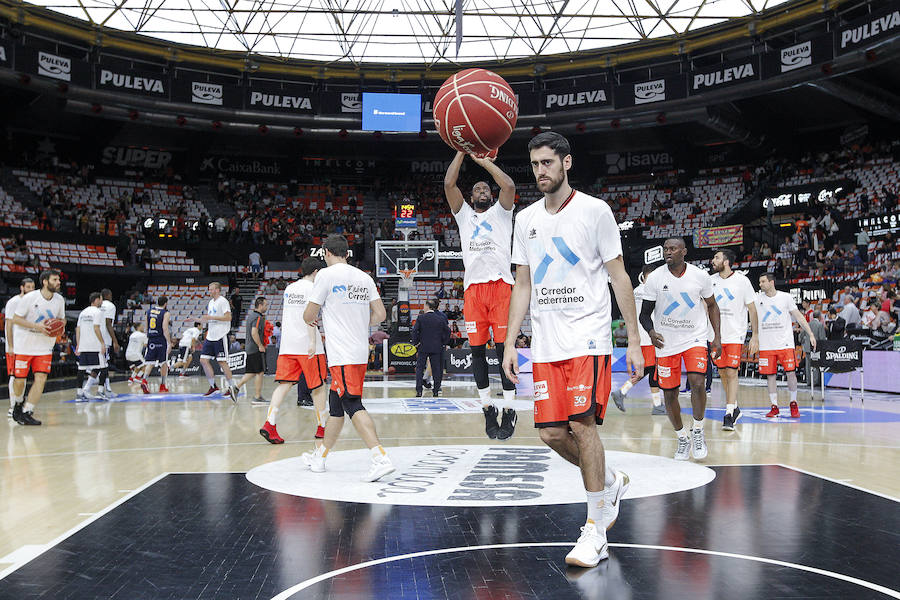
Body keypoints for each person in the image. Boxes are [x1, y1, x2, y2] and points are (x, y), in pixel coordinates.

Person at [502, 132, 643, 569]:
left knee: (583, 428)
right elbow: (522, 284)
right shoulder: (524, 220)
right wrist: (510, 340)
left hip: (588, 338)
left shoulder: (594, 211)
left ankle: (595, 529)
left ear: (567, 163)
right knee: (549, 433)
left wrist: (634, 340)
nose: (540, 171)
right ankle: (611, 482)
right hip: (545, 345)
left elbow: (619, 277)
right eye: (535, 165)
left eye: (547, 163)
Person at [302, 235, 393, 482]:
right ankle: (320, 457)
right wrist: (360, 320)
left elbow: (308, 314)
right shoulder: (364, 277)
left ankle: (380, 457)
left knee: (352, 404)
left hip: (342, 354)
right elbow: (381, 314)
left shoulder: (325, 276)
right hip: (359, 353)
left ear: (326, 253)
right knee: (336, 408)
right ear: (347, 253)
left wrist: (313, 318)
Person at [444, 150, 518, 439]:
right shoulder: (463, 216)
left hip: (501, 287)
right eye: (477, 189)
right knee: (476, 352)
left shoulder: (502, 212)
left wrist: (483, 161)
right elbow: (450, 185)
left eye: (486, 188)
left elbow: (509, 186)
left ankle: (509, 409)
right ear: (471, 198)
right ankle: (487, 407)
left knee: (503, 351)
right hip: (474, 290)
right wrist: (462, 152)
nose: (483, 190)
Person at [640, 238, 721, 461]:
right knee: (670, 393)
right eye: (665, 249)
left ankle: (698, 430)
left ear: (684, 252)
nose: (668, 252)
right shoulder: (655, 278)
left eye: (673, 248)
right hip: (666, 342)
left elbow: (713, 306)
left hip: (694, 337)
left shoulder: (699, 276)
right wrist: (651, 332)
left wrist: (717, 338)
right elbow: (644, 314)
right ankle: (682, 436)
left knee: (697, 382)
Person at [261, 258, 329, 445]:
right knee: (318, 386)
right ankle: (322, 427)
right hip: (307, 346)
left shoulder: (290, 289)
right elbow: (310, 317)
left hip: (287, 345)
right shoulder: (314, 289)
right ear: (316, 272)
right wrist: (313, 342)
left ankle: (270, 423)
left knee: (284, 385)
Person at [709, 248, 759, 431]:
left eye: (717, 257)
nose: (713, 260)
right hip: (715, 335)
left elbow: (752, 310)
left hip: (734, 335)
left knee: (731, 372)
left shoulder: (742, 281)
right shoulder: (710, 281)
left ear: (727, 262)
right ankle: (735, 407)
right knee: (722, 373)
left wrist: (755, 335)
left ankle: (728, 413)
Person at [757, 273, 817, 418]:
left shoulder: (785, 297)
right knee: (770, 376)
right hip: (766, 345)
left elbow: (799, 317)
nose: (760, 284)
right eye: (759, 282)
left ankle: (793, 403)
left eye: (763, 281)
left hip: (785, 343)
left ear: (771, 282)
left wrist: (811, 334)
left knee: (791, 373)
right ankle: (774, 406)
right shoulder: (757, 298)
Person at [11, 269, 66, 426]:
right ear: (45, 281)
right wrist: (37, 326)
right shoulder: (30, 298)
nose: (58, 282)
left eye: (58, 280)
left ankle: (28, 411)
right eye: (55, 279)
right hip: (24, 344)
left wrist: (60, 325)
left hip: (44, 346)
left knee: (41, 378)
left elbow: (62, 320)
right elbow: (16, 319)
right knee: (20, 379)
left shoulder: (59, 300)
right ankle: (18, 404)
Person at [610, 264, 665, 416]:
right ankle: (622, 392)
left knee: (650, 371)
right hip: (650, 338)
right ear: (647, 276)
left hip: (641, 338)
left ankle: (657, 404)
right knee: (650, 371)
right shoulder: (652, 291)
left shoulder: (635, 291)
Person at [199, 282, 238, 402]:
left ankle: (232, 387)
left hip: (221, 335)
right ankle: (213, 386)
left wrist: (212, 318)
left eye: (210, 289)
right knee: (203, 360)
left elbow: (228, 317)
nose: (209, 291)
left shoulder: (223, 301)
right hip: (211, 335)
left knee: (222, 362)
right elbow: (211, 318)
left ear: (217, 290)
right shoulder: (211, 302)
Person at [5, 277, 34, 418]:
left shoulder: (33, 302)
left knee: (22, 377)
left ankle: (19, 405)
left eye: (33, 287)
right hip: (15, 345)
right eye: (28, 287)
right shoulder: (14, 302)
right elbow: (9, 324)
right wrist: (10, 345)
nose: (31, 290)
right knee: (14, 375)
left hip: (27, 344)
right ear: (22, 287)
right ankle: (12, 406)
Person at [412, 299, 450, 399]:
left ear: (428, 306)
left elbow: (415, 331)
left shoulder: (421, 318)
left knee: (420, 369)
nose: (423, 307)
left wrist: (416, 343)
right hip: (436, 347)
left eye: (424, 305)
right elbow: (448, 331)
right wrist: (443, 342)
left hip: (423, 347)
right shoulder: (440, 318)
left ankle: (419, 391)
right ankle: (436, 391)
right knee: (437, 369)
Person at [235, 297, 268, 404]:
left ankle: (235, 388)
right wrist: (260, 345)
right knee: (260, 372)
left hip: (249, 348)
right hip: (255, 348)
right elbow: (254, 332)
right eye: (265, 305)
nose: (266, 307)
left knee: (252, 372)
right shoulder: (258, 317)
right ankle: (257, 397)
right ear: (260, 305)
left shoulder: (251, 316)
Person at [75, 292, 107, 400]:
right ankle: (100, 391)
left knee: (81, 369)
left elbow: (78, 329)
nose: (102, 301)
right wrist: (102, 343)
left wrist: (78, 344)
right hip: (95, 345)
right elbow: (96, 328)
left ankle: (79, 393)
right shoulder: (98, 312)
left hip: (84, 346)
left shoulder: (83, 312)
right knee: (104, 368)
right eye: (101, 299)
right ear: (97, 300)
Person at [139, 296, 172, 394]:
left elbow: (146, 326)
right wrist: (169, 342)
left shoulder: (149, 311)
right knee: (163, 363)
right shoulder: (165, 313)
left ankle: (144, 380)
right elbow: (165, 328)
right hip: (160, 339)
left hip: (151, 339)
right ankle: (162, 385)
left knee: (150, 362)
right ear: (165, 303)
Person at [100, 288, 120, 396]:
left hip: (95, 336)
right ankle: (105, 389)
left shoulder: (98, 305)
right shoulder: (111, 306)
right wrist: (115, 341)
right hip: (105, 338)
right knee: (104, 364)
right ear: (107, 295)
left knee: (100, 364)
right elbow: (108, 323)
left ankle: (105, 388)